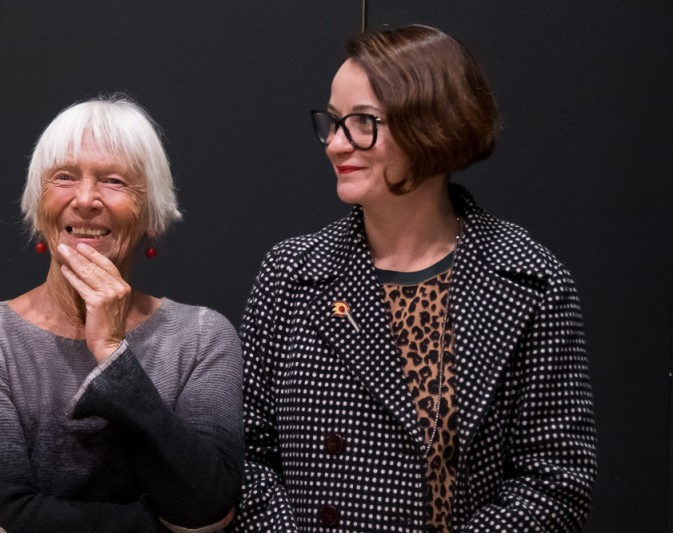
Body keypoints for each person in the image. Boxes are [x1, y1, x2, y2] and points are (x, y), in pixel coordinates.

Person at [234, 25, 597, 532]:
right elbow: (246, 456)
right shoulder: (292, 274)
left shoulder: (530, 281)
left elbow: (556, 481)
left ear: (432, 123)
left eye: (362, 122)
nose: (336, 145)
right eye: (333, 122)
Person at [0, 96, 243, 533]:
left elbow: (207, 503)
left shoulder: (201, 337)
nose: (84, 200)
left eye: (114, 181)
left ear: (151, 214)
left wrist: (114, 355)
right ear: (38, 204)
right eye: (63, 177)